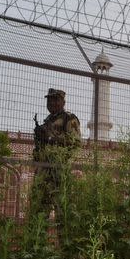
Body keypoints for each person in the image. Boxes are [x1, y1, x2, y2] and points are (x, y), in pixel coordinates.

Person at [31, 88, 81, 218]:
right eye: (49, 100)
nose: (51, 103)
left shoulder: (69, 118)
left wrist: (51, 138)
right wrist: (39, 140)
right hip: (43, 171)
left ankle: (64, 238)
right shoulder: (47, 121)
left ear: (63, 102)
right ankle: (37, 237)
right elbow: (40, 149)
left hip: (60, 171)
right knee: (38, 212)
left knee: (62, 213)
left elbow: (75, 143)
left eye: (55, 99)